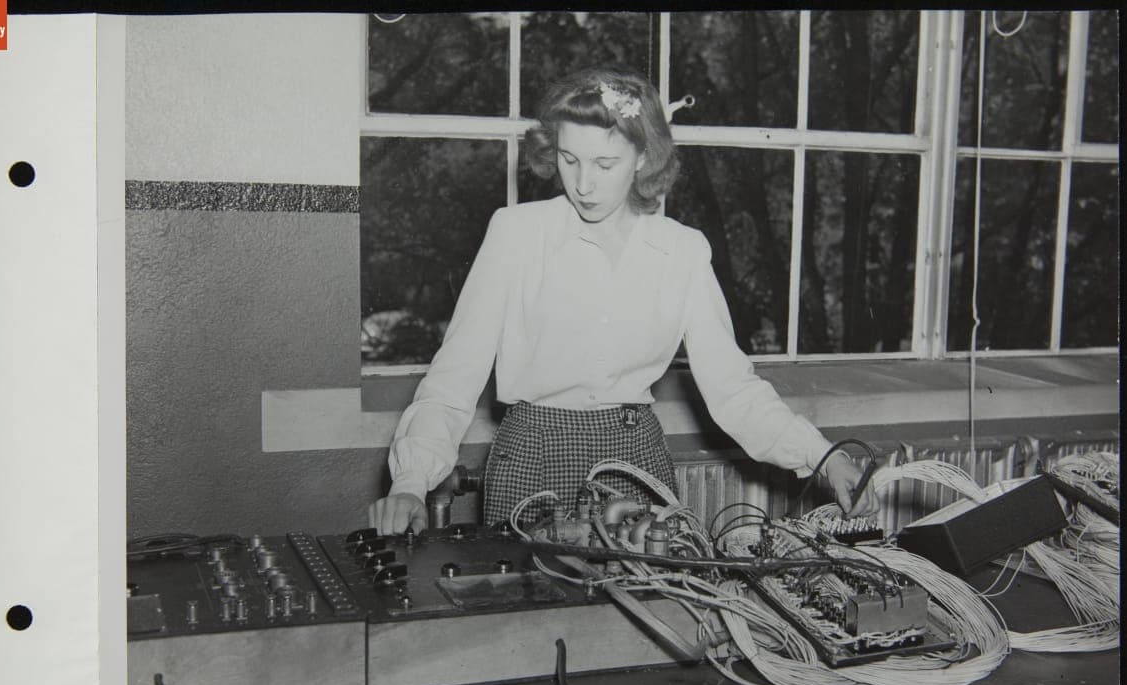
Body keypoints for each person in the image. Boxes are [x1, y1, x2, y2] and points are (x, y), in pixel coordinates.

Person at [369, 65, 879, 535]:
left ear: (643, 157)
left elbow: (735, 391)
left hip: (636, 463)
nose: (583, 184)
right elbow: (453, 377)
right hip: (531, 462)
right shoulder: (516, 234)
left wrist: (824, 456)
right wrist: (411, 481)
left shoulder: (681, 251)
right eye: (569, 159)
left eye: (605, 163)